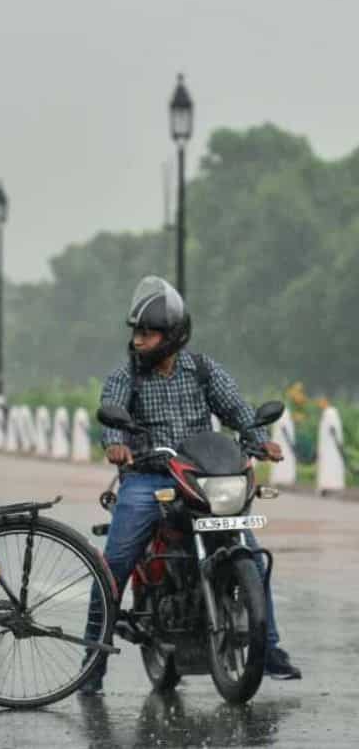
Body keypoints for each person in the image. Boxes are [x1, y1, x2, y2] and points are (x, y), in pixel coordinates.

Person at [80, 275, 301, 695]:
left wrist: (259, 441)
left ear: (172, 336)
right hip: (149, 478)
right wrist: (115, 446)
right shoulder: (126, 376)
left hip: (202, 477)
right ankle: (92, 661)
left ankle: (268, 649)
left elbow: (238, 411)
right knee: (114, 566)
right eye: (137, 333)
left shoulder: (202, 370)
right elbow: (110, 417)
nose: (139, 340)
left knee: (251, 555)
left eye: (148, 333)